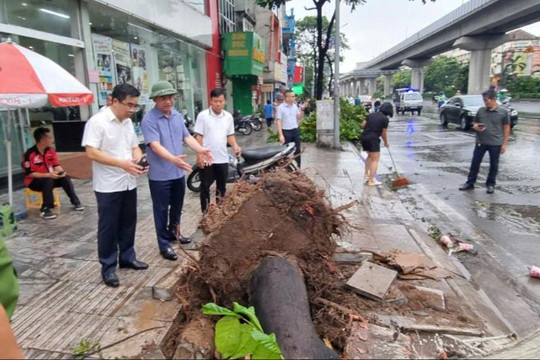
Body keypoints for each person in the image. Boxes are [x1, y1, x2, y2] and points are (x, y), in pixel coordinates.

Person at [82, 83, 149, 287]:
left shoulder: (127, 123)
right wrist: (122, 164)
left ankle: (127, 257)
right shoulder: (97, 122)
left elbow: (134, 147)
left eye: (135, 106)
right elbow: (91, 152)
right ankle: (108, 267)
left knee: (128, 222)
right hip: (108, 185)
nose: (131, 110)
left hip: (128, 182)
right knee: (108, 227)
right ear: (115, 101)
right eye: (128, 105)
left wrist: (139, 161)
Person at [141, 81, 213, 261]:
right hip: (160, 175)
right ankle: (164, 245)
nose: (168, 101)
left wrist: (200, 150)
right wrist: (173, 159)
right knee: (161, 210)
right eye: (163, 98)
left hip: (178, 173)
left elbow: (187, 137)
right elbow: (155, 146)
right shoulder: (149, 120)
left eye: (170, 97)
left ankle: (175, 232)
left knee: (177, 207)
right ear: (155, 100)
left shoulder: (176, 116)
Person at [194, 88, 241, 213]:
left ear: (224, 101)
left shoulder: (228, 117)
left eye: (220, 101)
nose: (218, 104)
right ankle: (205, 213)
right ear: (211, 101)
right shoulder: (203, 116)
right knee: (205, 187)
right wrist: (199, 155)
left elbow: (230, 136)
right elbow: (198, 136)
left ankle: (219, 213)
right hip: (207, 159)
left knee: (221, 188)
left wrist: (235, 145)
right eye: (215, 101)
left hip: (222, 158)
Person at [22, 127, 84, 219]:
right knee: (48, 180)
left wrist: (62, 172)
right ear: (42, 139)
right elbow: (30, 173)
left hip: (49, 178)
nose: (51, 139)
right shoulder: (30, 154)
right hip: (34, 181)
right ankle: (45, 209)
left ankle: (76, 202)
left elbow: (56, 165)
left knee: (65, 178)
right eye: (49, 137)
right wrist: (48, 175)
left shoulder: (50, 151)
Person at [459, 88, 510, 194]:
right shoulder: (481, 110)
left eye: (486, 100)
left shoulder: (503, 112)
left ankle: (490, 184)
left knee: (494, 165)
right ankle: (470, 183)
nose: (485, 102)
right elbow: (474, 122)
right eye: (484, 100)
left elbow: (506, 128)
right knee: (475, 163)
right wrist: (476, 126)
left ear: (494, 99)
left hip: (495, 143)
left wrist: (504, 144)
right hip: (481, 141)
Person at [360, 102, 392, 186]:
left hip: (364, 137)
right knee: (375, 159)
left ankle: (366, 174)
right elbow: (383, 133)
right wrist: (386, 142)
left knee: (370, 156)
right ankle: (371, 180)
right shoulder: (385, 119)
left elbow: (363, 125)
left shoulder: (371, 114)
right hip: (373, 139)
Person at [276, 89, 305, 168]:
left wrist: (302, 109)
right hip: (286, 132)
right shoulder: (280, 108)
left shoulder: (295, 106)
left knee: (297, 150)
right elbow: (278, 121)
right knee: (286, 151)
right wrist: (281, 135)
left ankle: (298, 167)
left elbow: (299, 117)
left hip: (295, 131)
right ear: (287, 98)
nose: (294, 98)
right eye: (292, 96)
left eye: (294, 96)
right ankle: (286, 168)